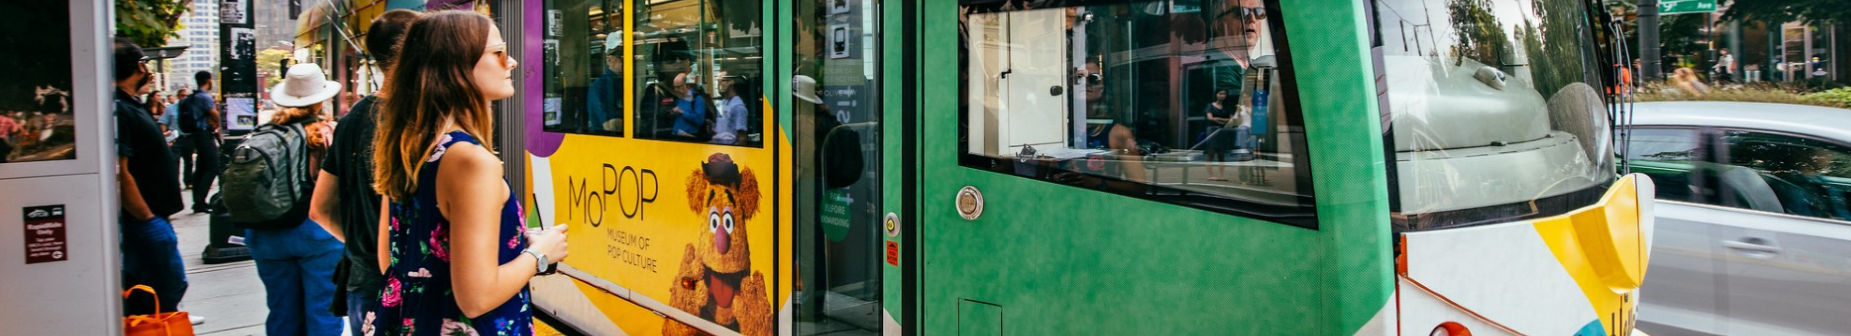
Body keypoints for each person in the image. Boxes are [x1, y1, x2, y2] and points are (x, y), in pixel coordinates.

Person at [370, 11, 568, 335]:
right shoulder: (471, 161)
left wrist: (514, 245)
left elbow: (390, 261)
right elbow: (476, 298)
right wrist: (539, 254)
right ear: (457, 66)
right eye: (498, 52)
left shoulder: (409, 147)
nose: (513, 62)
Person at [308, 9, 419, 336]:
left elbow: (319, 209)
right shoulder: (419, 117)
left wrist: (364, 246)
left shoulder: (356, 115)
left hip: (361, 284)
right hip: (408, 290)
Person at [246, 63, 344, 336]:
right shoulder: (326, 132)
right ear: (321, 98)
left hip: (265, 234)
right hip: (316, 232)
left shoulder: (263, 132)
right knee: (323, 312)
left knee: (281, 312)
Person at [112, 36, 189, 319]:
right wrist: (146, 218)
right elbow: (120, 172)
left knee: (166, 288)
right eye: (145, 62)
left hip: (150, 219)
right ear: (139, 66)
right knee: (158, 291)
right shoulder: (119, 109)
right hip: (143, 222)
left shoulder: (129, 105)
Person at [177, 71, 222, 209]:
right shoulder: (204, 97)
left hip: (196, 134)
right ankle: (200, 200)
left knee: (202, 167)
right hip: (204, 134)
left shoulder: (194, 96)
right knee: (214, 166)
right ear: (209, 80)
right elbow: (214, 114)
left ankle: (198, 201)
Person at [586, 34, 624, 133]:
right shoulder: (600, 86)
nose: (630, 59)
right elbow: (611, 126)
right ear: (610, 60)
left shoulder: (629, 83)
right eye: (623, 54)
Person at [1201, 89, 1234, 181]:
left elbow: (1231, 120)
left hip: (1222, 131)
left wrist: (1218, 119)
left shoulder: (1227, 107)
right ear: (1216, 94)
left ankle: (1221, 175)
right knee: (1211, 152)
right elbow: (1210, 118)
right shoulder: (1210, 105)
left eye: (1224, 94)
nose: (1222, 95)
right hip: (1212, 130)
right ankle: (1210, 174)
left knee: (1221, 153)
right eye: (1220, 93)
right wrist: (1223, 120)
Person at [712, 73, 750, 145]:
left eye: (723, 81)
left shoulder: (738, 106)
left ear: (731, 82)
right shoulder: (723, 103)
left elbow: (742, 137)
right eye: (719, 81)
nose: (720, 84)